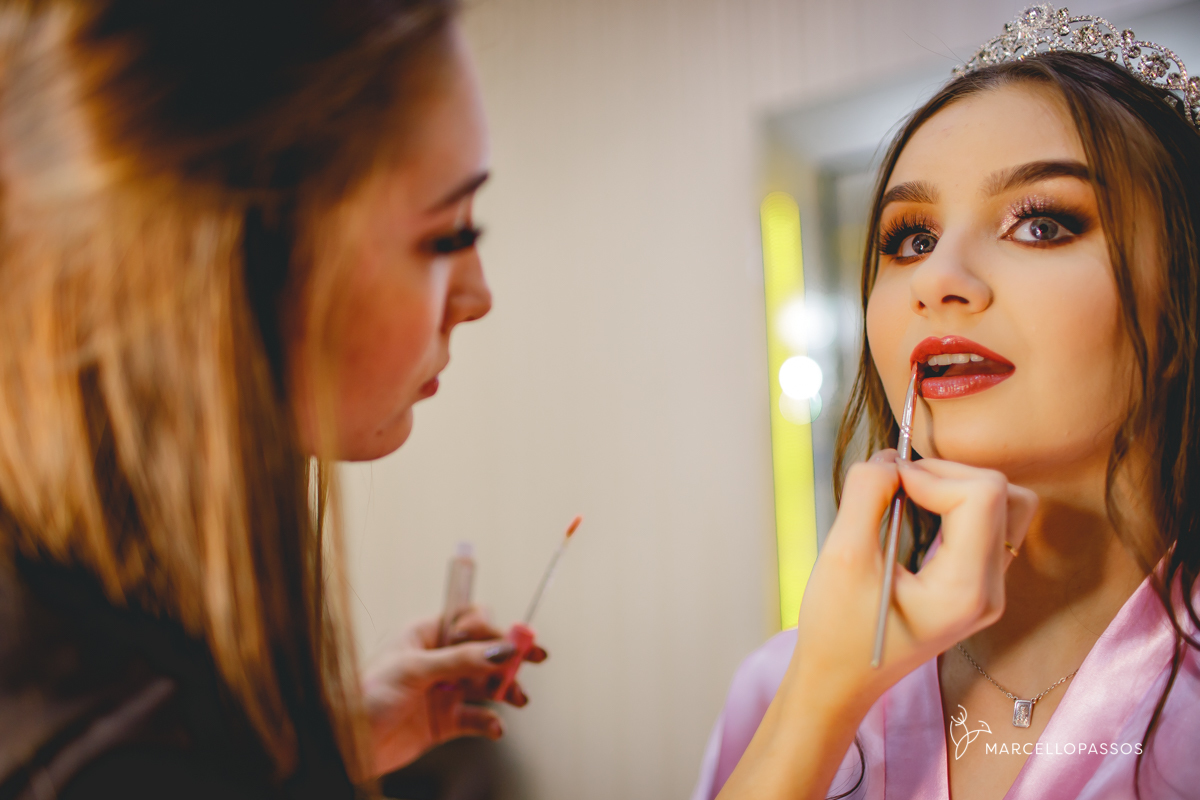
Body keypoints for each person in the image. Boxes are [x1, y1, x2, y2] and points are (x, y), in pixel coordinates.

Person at [0, 1, 544, 797]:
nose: (477, 297)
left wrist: (319, 749)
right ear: (238, 262)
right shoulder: (112, 760)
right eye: (446, 235)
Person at [696, 8, 1200, 800]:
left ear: (1184, 294)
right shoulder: (781, 687)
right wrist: (816, 705)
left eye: (1041, 224)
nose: (935, 279)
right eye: (911, 240)